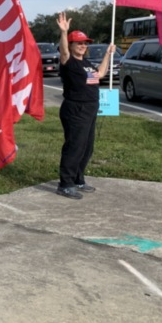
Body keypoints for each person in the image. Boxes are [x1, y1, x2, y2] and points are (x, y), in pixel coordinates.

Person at [55, 12, 116, 200]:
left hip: (90, 109)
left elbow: (100, 74)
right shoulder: (68, 62)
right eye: (79, 43)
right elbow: (64, 52)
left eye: (85, 43)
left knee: (87, 147)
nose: (83, 46)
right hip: (75, 109)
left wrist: (107, 54)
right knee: (75, 146)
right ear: (72, 45)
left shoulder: (87, 63)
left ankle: (78, 179)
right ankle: (65, 184)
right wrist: (64, 32)